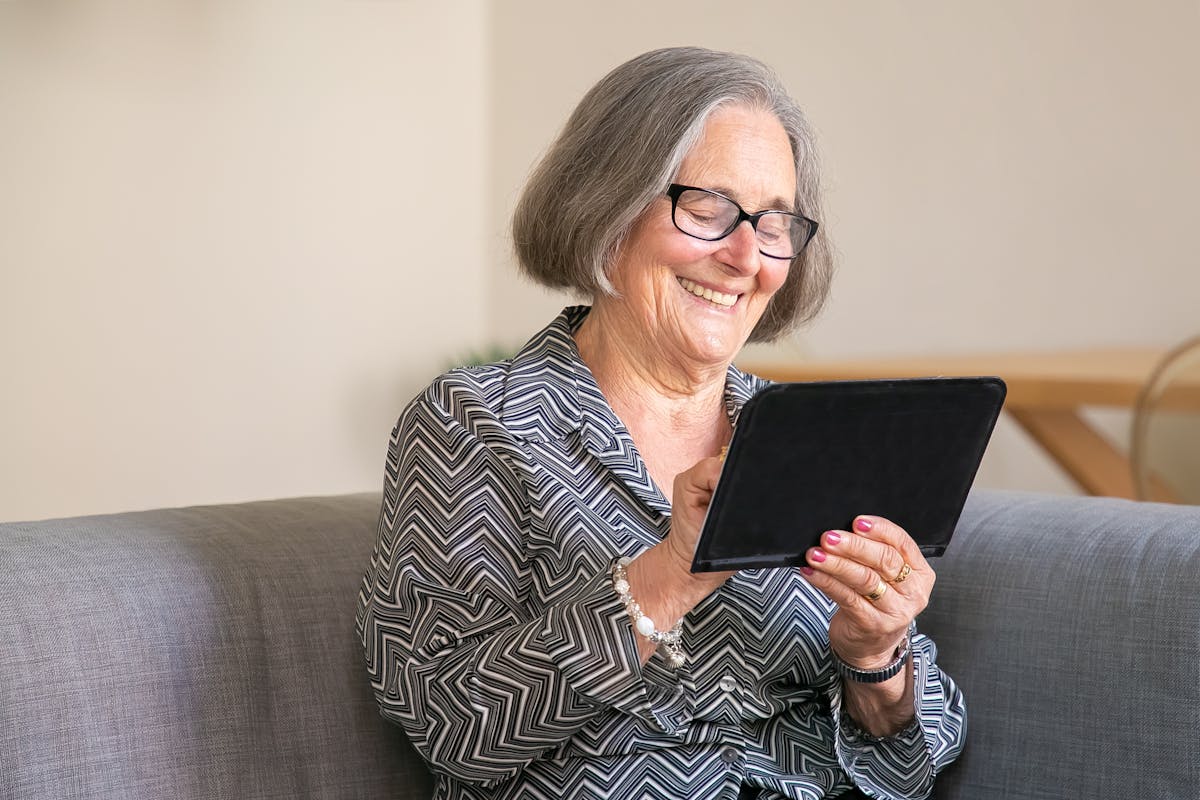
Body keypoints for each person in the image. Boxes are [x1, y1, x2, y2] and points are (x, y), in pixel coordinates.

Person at [356, 47, 965, 800]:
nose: (746, 256)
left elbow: (919, 755)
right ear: (608, 212)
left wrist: (877, 659)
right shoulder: (479, 424)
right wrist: (665, 578)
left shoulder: (795, 432)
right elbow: (449, 726)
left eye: (773, 224)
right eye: (709, 210)